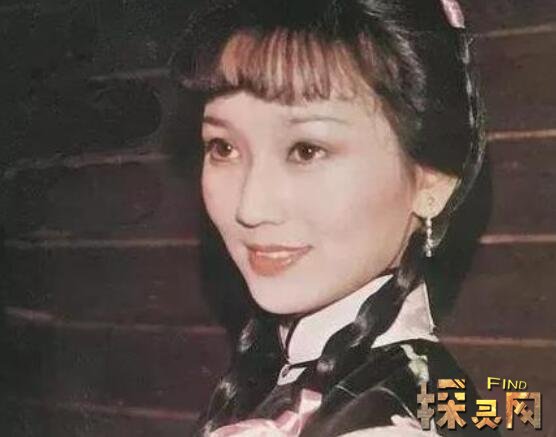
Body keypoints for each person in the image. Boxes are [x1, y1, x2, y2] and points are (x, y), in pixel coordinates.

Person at [170, 0, 499, 435]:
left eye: (307, 150)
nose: (250, 207)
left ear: (431, 183)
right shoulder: (299, 371)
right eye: (223, 147)